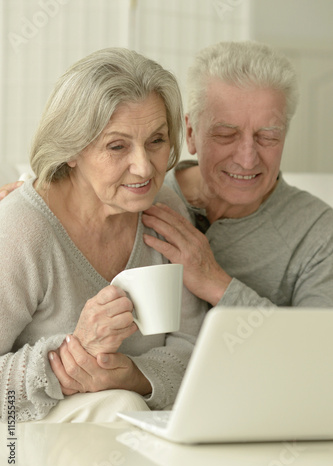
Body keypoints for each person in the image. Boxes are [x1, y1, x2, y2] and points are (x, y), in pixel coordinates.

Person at [0, 48, 208, 423]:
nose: (144, 167)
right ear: (72, 150)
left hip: (142, 443)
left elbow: (194, 347)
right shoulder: (22, 229)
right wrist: (67, 358)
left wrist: (135, 376)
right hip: (25, 450)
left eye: (157, 141)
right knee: (119, 407)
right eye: (117, 146)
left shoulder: (164, 209)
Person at [141, 41, 333, 308]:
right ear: (191, 133)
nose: (247, 159)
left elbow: (319, 345)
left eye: (267, 136)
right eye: (226, 135)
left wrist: (217, 284)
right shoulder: (140, 197)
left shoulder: (320, 233)